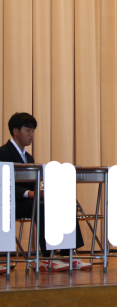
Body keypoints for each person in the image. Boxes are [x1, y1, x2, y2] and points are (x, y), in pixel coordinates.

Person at [0, 112, 90, 272]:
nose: (31, 135)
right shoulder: (3, 152)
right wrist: (28, 193)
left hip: (28, 201)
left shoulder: (28, 157)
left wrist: (42, 192)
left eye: (33, 131)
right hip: (9, 203)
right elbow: (3, 183)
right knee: (43, 207)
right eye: (28, 130)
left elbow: (33, 184)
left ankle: (68, 255)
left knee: (64, 203)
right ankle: (47, 258)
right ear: (15, 131)